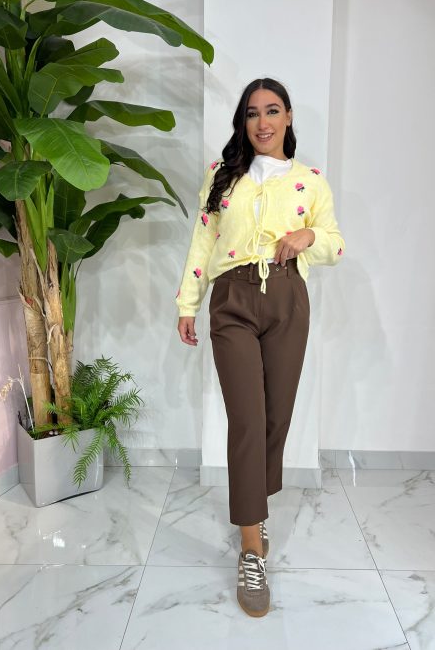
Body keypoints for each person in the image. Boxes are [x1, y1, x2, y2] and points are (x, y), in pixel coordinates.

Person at [175, 77, 345, 617]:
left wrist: (308, 237)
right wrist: (187, 303)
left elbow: (335, 243)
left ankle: (254, 502)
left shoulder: (309, 181)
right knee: (247, 420)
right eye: (252, 113)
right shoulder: (222, 176)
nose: (263, 122)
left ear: (288, 117)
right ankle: (251, 547)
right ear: (243, 122)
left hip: (288, 298)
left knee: (276, 417)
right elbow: (203, 239)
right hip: (232, 299)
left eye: (272, 111)